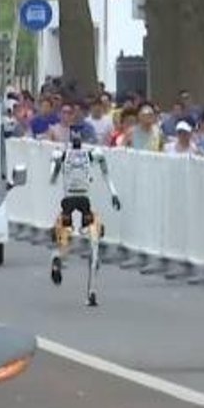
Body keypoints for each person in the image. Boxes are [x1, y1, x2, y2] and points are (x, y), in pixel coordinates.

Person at [48, 129, 122, 305]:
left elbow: (52, 179)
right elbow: (106, 174)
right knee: (93, 239)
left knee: (65, 236)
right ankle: (91, 292)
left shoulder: (61, 154)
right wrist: (114, 193)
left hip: (68, 200)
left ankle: (58, 258)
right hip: (84, 200)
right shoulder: (93, 154)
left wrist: (59, 164)